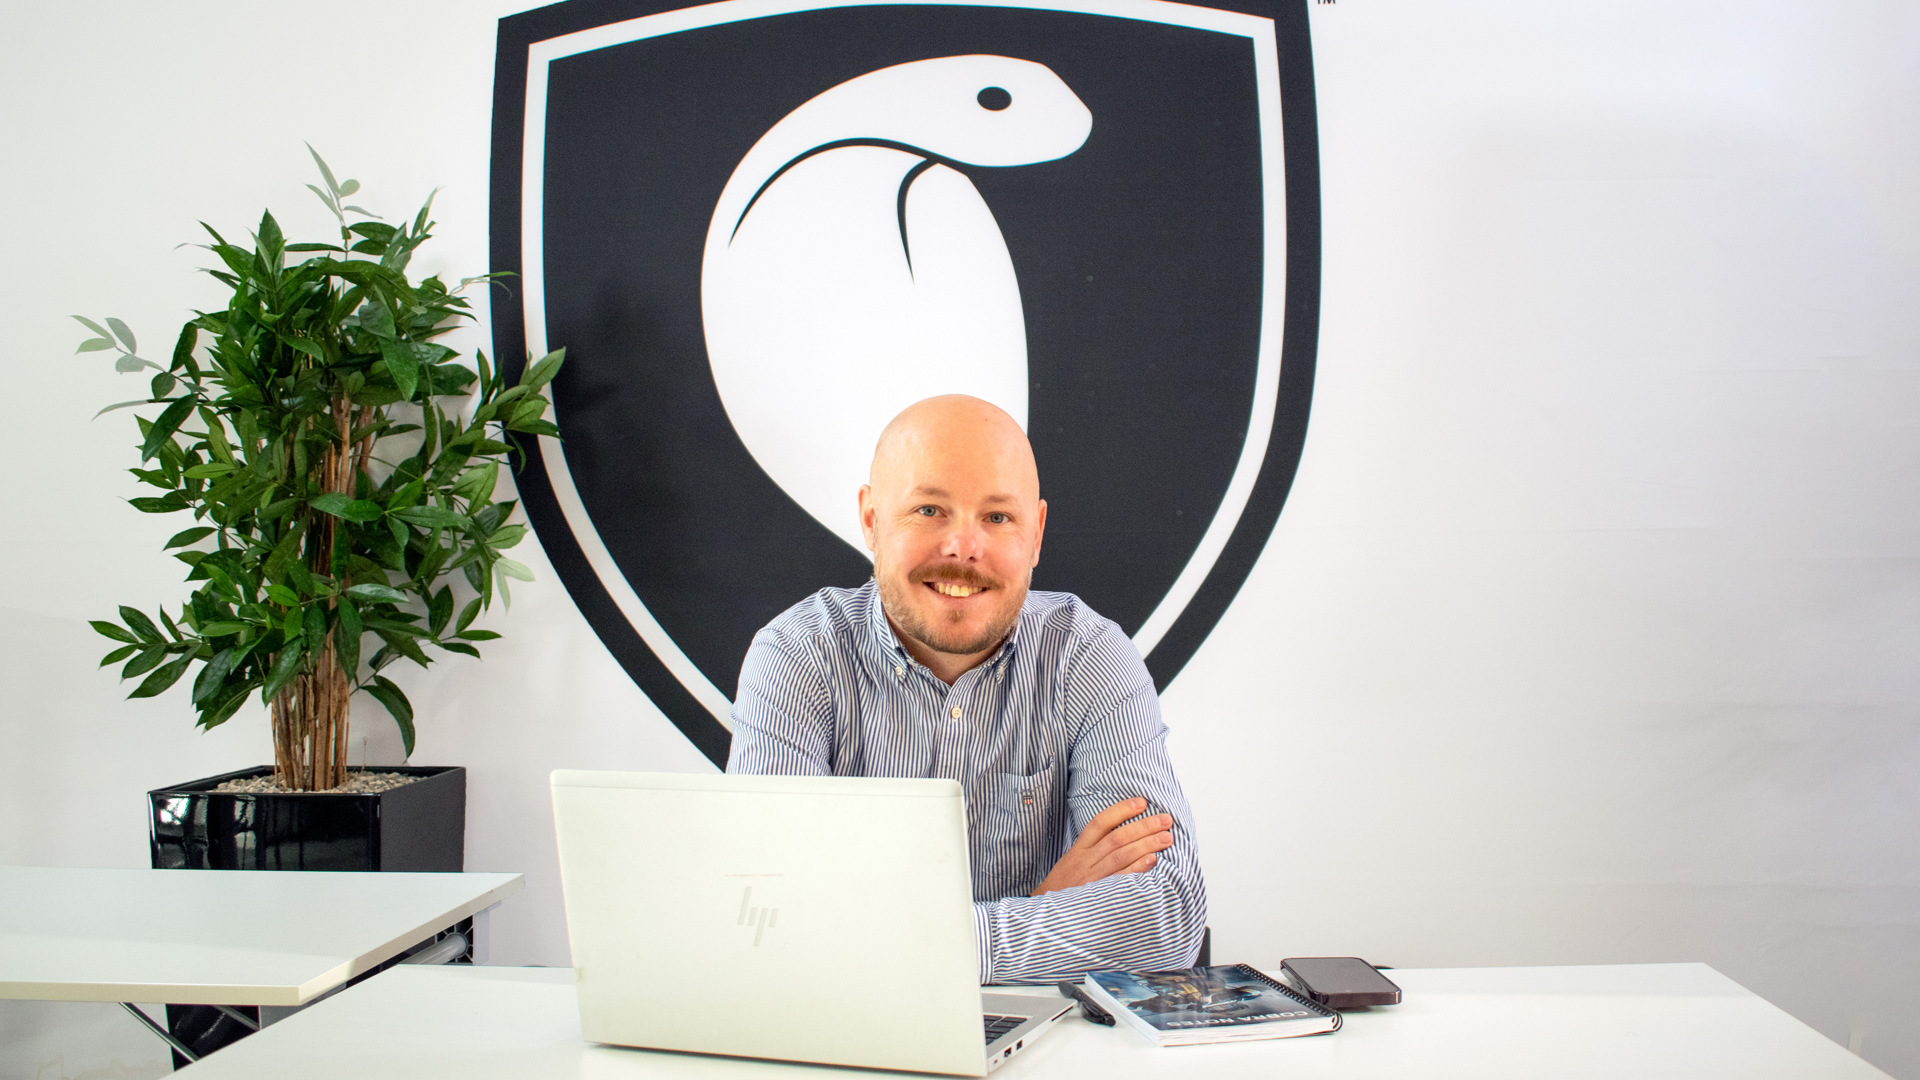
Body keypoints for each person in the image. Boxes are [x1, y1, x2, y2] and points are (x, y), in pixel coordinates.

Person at [726, 395, 1207, 983]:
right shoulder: (798, 657)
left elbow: (1169, 916)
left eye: (998, 517)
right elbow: (765, 918)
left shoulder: (1090, 657)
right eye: (930, 510)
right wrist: (1041, 907)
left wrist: (915, 945)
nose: (963, 548)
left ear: (1036, 535)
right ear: (872, 521)